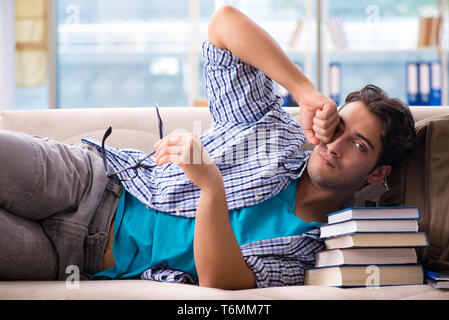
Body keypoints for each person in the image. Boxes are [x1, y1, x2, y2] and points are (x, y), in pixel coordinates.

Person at [0, 6, 415, 290]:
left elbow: (220, 280)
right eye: (339, 126)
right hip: (92, 182)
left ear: (377, 173)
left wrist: (211, 186)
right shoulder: (269, 127)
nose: (335, 144)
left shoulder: (313, 246)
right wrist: (304, 92)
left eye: (358, 144)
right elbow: (223, 25)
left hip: (78, 258)